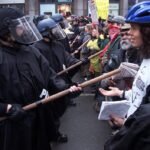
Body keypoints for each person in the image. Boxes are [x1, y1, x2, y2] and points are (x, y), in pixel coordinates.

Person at [0, 8, 82, 150]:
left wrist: (66, 88)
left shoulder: (31, 51)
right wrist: (5, 108)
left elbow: (50, 75)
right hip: (10, 127)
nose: (23, 31)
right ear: (6, 31)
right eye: (19, 27)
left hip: (38, 120)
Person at [99, 1, 150, 129]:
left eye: (133, 28)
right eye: (123, 33)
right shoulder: (146, 58)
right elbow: (139, 95)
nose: (128, 35)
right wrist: (120, 93)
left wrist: (127, 124)